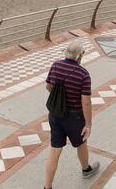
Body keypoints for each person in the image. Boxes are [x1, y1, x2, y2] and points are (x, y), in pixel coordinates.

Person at [43, 41, 99, 189]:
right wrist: (88, 124)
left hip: (55, 115)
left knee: (55, 150)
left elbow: (48, 86)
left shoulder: (55, 66)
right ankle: (86, 169)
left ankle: (47, 186)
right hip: (74, 117)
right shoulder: (83, 74)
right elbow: (86, 102)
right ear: (80, 55)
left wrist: (60, 101)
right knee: (81, 143)